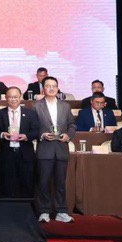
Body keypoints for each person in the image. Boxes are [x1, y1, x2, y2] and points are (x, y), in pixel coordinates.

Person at [35, 76, 75, 223]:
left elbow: (72, 125)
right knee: (43, 182)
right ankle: (44, 211)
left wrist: (68, 135)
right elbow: (32, 127)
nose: (51, 88)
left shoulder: (65, 106)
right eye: (48, 86)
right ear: (43, 89)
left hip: (61, 149)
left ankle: (61, 211)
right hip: (45, 149)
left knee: (60, 183)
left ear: (58, 88)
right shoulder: (36, 106)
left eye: (54, 86)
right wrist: (42, 134)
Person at [0, 87, 40, 198]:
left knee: (26, 183)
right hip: (6, 153)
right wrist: (2, 134)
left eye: (15, 97)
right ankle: (8, 207)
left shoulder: (30, 113)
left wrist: (26, 136)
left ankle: (26, 207)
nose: (13, 99)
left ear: (20, 97)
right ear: (6, 98)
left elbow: (36, 130)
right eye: (10, 97)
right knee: (7, 184)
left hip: (25, 153)